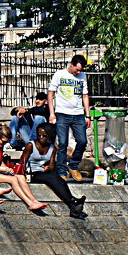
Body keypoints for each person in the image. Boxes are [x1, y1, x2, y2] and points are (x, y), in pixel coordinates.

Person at [0, 123, 48, 212]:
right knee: (13, 179)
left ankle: (34, 200)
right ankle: (29, 203)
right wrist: (1, 169)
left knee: (20, 177)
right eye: (3, 141)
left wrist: (6, 168)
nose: (4, 144)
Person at [21, 123, 87, 219]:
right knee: (52, 177)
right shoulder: (31, 145)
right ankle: (73, 201)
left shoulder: (52, 148)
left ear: (49, 135)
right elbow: (22, 162)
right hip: (32, 173)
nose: (41, 137)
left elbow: (52, 168)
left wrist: (49, 165)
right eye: (39, 135)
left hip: (45, 172)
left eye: (44, 135)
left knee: (59, 179)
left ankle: (72, 205)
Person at [48, 54, 90, 182]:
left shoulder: (82, 76)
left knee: (82, 141)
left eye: (80, 70)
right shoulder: (59, 74)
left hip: (78, 114)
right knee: (63, 143)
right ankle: (62, 171)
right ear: (71, 64)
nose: (78, 72)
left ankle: (73, 166)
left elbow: (85, 96)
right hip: (62, 113)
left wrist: (87, 115)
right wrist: (52, 113)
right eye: (76, 69)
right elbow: (50, 94)